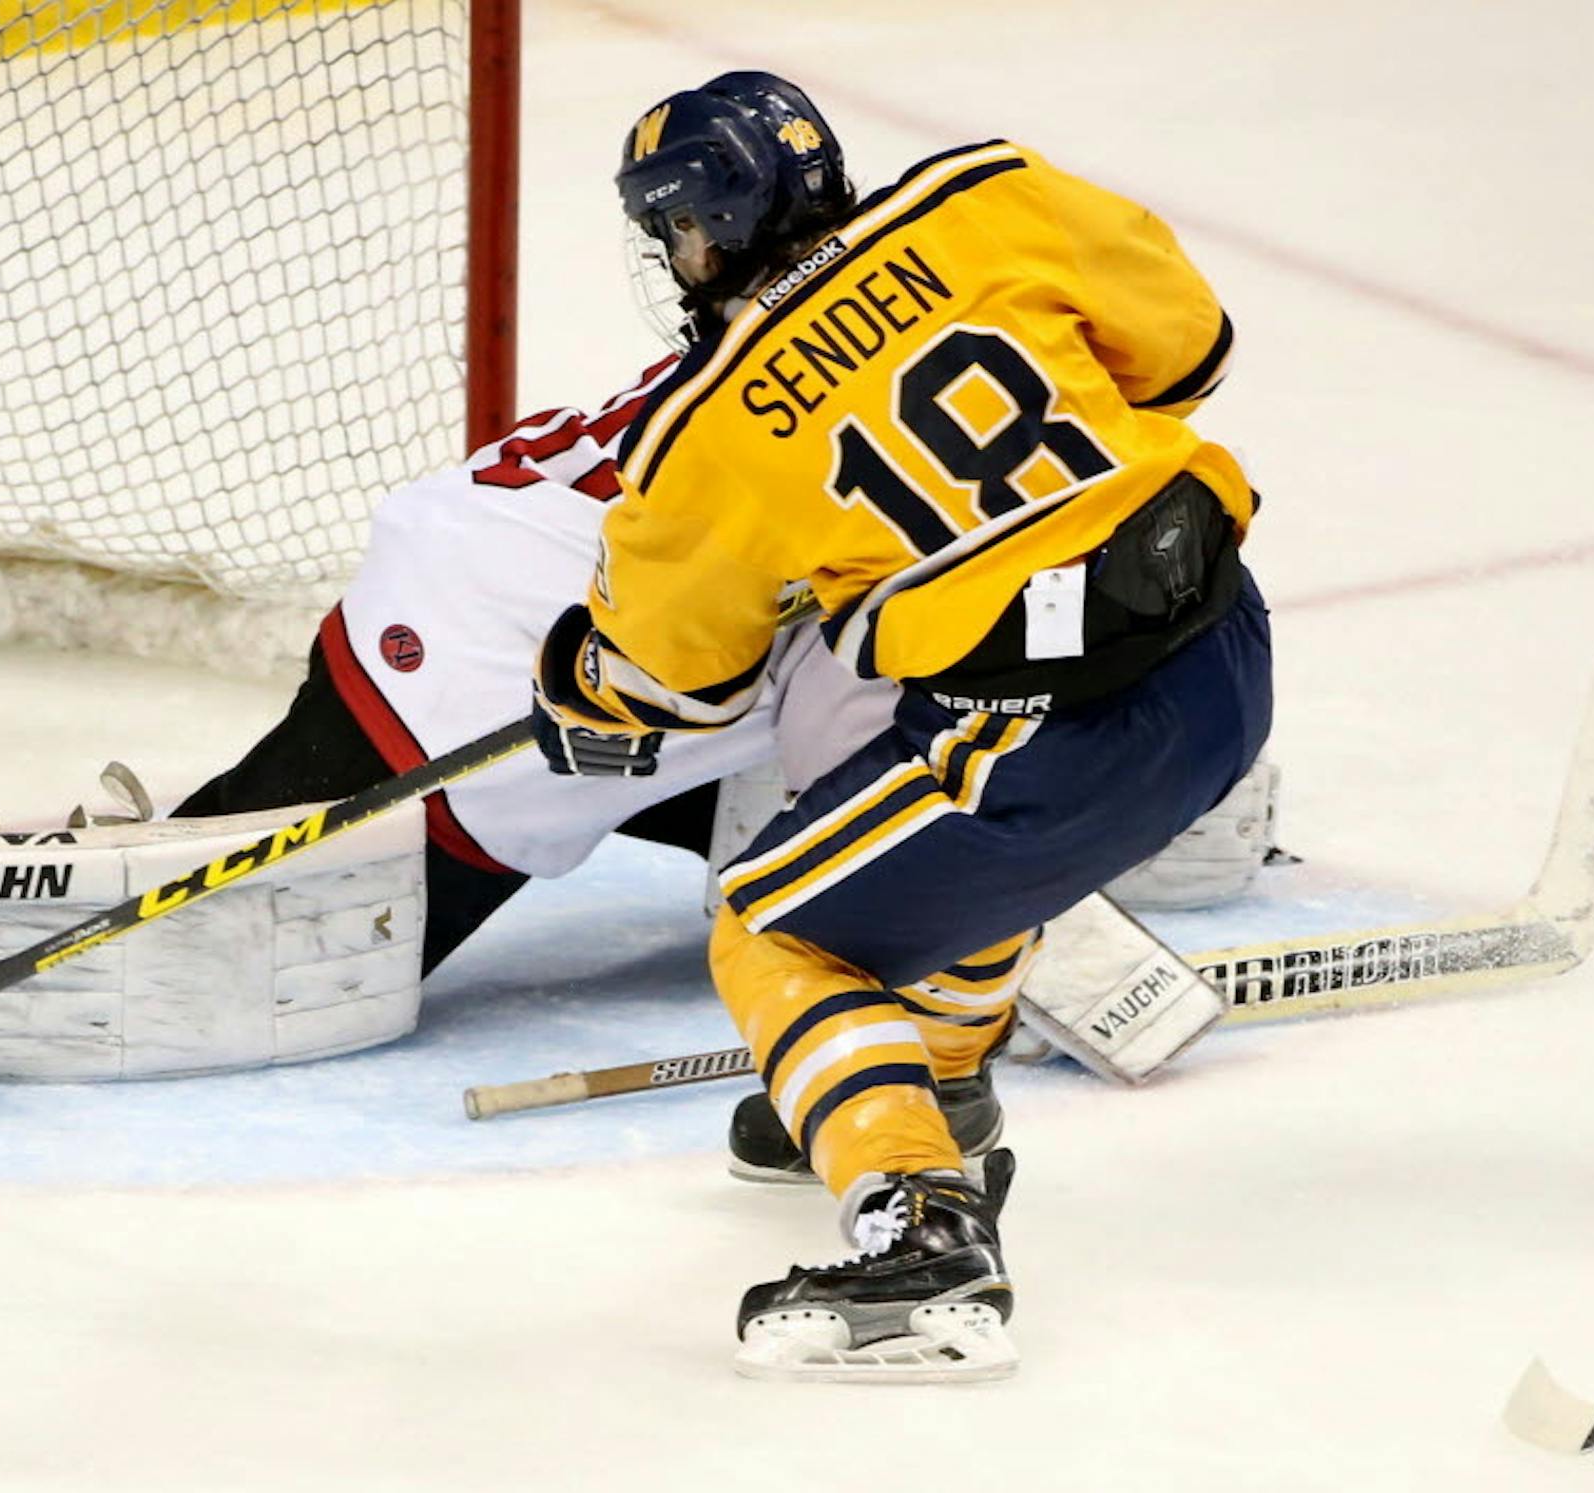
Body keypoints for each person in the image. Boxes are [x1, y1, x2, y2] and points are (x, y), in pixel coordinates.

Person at [530, 72, 1272, 1381]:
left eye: (681, 232)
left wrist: (570, 678)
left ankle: (920, 1223)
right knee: (933, 825)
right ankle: (935, 1075)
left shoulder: (707, 423)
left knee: (774, 930)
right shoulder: (993, 197)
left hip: (1040, 744)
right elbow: (1189, 348)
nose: (681, 260)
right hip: (1225, 665)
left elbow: (665, 679)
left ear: (707, 232)